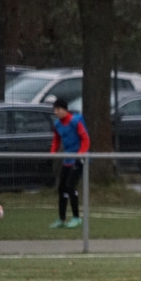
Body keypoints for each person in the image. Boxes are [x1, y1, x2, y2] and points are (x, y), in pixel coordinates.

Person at [49, 98, 90, 229]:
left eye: (58, 109)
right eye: (55, 109)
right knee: (61, 188)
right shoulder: (58, 124)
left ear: (65, 109)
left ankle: (76, 217)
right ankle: (61, 219)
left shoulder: (75, 121)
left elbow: (85, 139)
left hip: (77, 160)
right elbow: (56, 140)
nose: (56, 112)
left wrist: (80, 154)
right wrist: (52, 153)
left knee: (70, 186)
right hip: (67, 160)